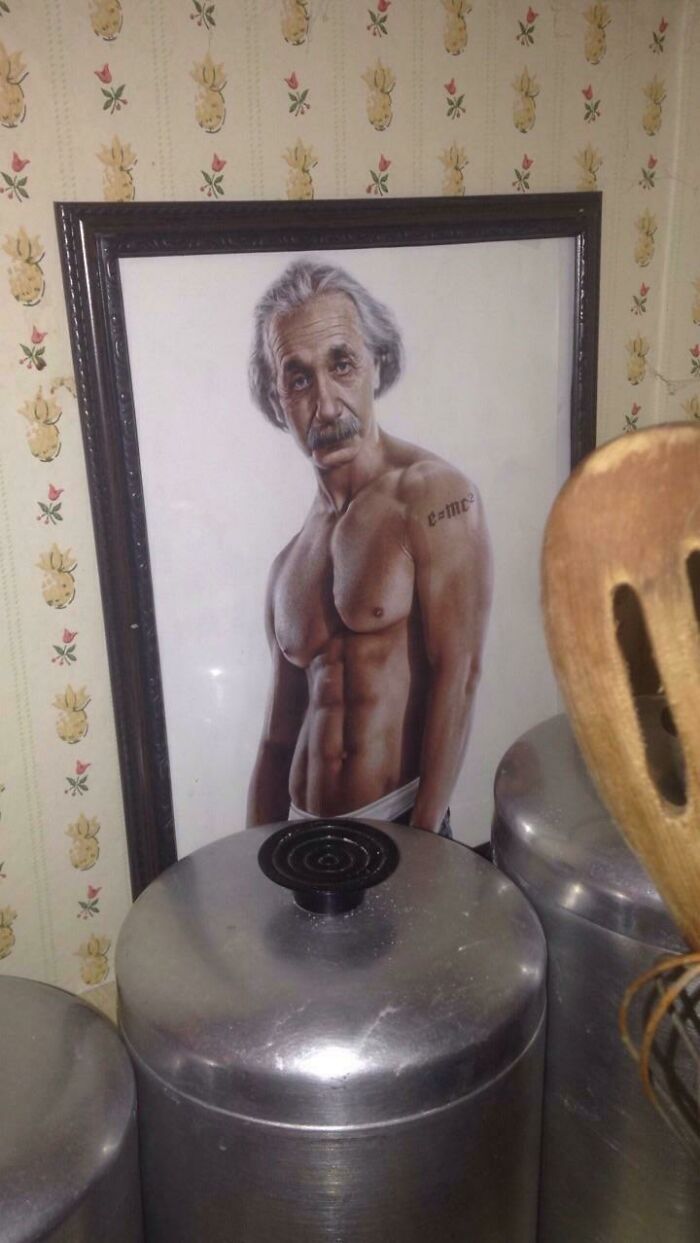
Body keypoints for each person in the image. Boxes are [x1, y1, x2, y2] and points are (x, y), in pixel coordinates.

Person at [246, 258, 492, 836]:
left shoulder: (433, 495)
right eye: (298, 380)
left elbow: (459, 673)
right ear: (277, 401)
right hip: (301, 833)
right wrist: (251, 858)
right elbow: (277, 740)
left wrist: (424, 840)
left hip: (401, 823)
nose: (327, 406)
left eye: (342, 364)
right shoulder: (287, 564)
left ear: (376, 365)